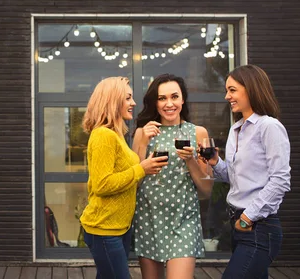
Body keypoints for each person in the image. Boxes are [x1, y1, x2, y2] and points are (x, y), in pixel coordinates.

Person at [204, 64, 291, 279]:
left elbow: (280, 180)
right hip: (238, 224)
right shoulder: (237, 128)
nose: (227, 96)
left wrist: (247, 218)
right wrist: (216, 162)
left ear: (251, 88)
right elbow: (234, 177)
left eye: (232, 90)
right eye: (227, 90)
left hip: (259, 227)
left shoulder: (269, 126)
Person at [80, 77, 168, 279]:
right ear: (112, 100)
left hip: (119, 227)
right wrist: (141, 169)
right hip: (104, 229)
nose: (133, 103)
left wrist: (145, 164)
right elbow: (103, 184)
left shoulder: (117, 135)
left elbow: (126, 177)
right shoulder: (104, 135)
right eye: (128, 98)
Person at [132, 74, 214, 279]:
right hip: (148, 218)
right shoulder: (142, 133)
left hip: (183, 220)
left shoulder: (199, 133)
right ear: (155, 102)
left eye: (174, 97)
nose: (169, 104)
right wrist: (142, 143)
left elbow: (206, 190)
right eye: (162, 98)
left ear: (183, 99)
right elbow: (133, 183)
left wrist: (191, 160)